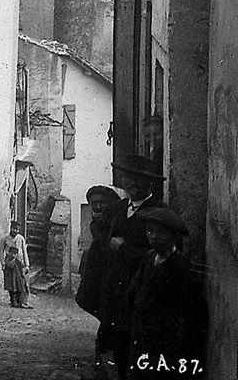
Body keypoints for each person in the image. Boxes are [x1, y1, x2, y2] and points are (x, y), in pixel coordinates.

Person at [102, 155, 165, 380]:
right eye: (129, 178)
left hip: (143, 291)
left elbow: (159, 255)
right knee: (117, 344)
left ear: (150, 183)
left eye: (139, 179)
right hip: (118, 291)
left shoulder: (159, 212)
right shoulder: (118, 209)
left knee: (139, 347)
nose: (133, 184)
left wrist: (124, 249)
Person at [126, 206, 207, 376]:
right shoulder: (149, 258)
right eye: (149, 231)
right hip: (143, 333)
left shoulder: (180, 266)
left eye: (160, 233)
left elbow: (187, 309)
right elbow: (134, 291)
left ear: (173, 236)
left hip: (165, 339)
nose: (153, 237)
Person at [77, 184, 126, 374]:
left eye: (102, 203)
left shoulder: (117, 222)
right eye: (93, 204)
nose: (97, 207)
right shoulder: (97, 224)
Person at [0, 221, 33, 308]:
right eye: (14, 229)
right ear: (10, 228)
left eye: (17, 229)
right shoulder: (5, 239)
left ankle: (20, 301)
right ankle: (13, 300)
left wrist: (27, 265)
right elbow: (0, 252)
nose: (15, 231)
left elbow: (24, 252)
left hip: (19, 264)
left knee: (20, 282)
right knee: (11, 282)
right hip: (10, 263)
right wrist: (3, 263)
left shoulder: (21, 238)